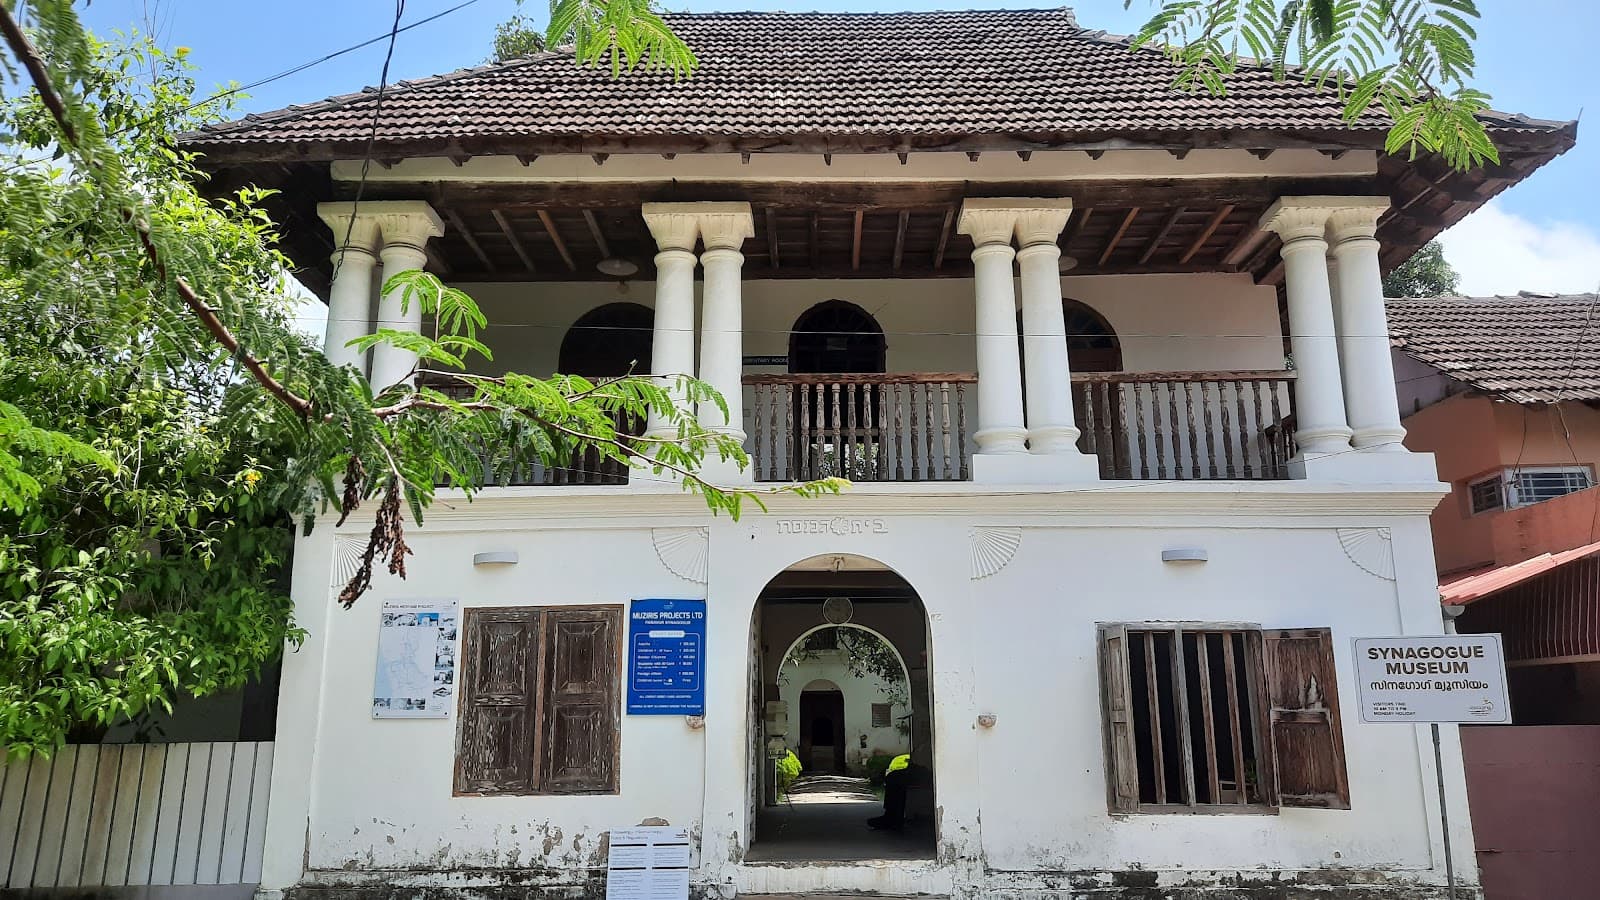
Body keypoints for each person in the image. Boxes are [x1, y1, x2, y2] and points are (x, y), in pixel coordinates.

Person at [868, 753, 929, 830]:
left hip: (925, 771)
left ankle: (892, 816)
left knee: (895, 779)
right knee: (893, 777)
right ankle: (892, 815)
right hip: (920, 769)